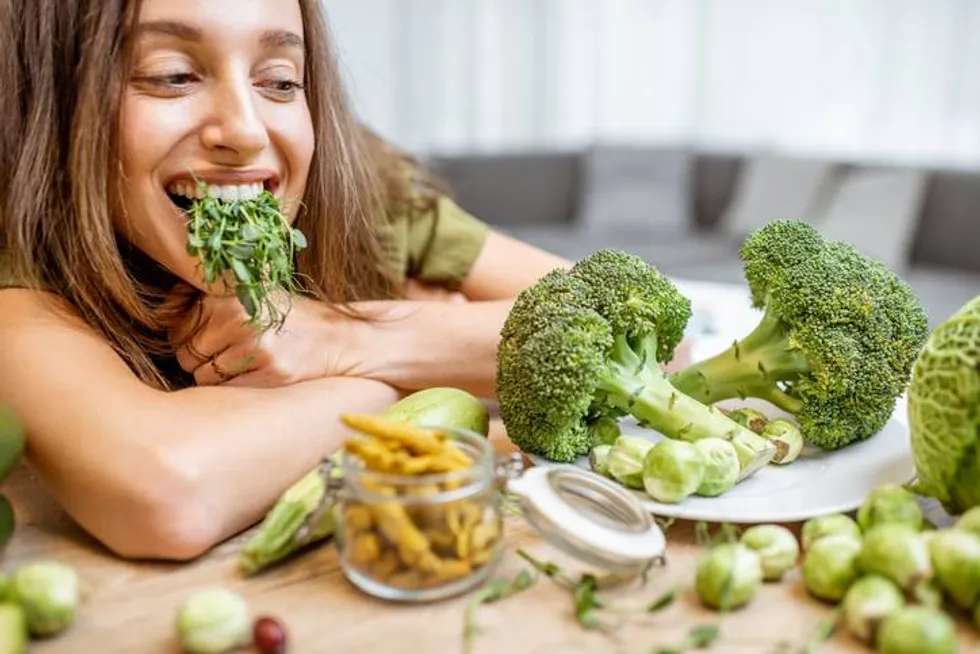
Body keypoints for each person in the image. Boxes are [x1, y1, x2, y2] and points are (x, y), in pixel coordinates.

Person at [0, 0, 572, 561]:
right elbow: (166, 491)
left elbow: (648, 331)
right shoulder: (19, 250)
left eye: (279, 82)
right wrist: (411, 374)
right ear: (53, 101)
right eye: (171, 76)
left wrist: (343, 336)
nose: (246, 132)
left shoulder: (354, 183)